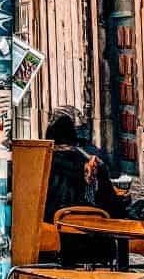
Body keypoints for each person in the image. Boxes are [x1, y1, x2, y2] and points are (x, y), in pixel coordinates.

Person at [43, 112, 125, 265]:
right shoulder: (96, 166)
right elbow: (115, 209)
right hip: (98, 247)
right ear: (74, 139)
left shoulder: (44, 165)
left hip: (57, 248)